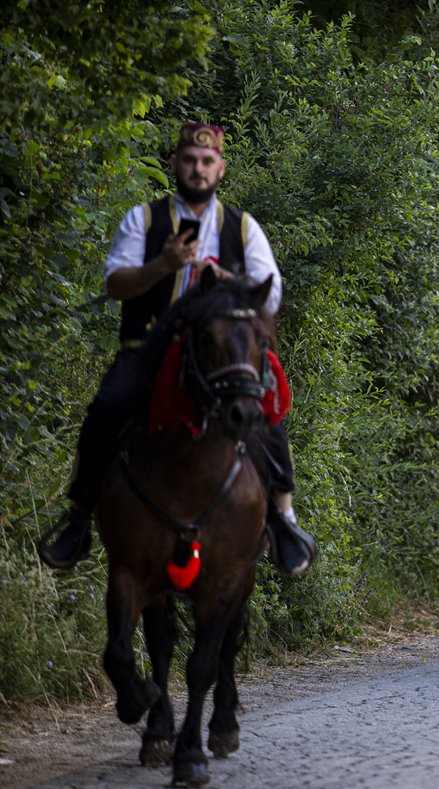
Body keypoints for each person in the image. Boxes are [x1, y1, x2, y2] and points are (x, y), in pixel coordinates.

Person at [37, 122, 316, 576]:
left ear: (220, 168)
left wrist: (225, 280)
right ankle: (78, 519)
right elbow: (116, 284)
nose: (198, 169)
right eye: (189, 160)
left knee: (264, 412)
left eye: (207, 162)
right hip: (148, 345)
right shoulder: (144, 220)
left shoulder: (242, 228)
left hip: (221, 353)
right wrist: (163, 265)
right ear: (175, 165)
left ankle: (283, 519)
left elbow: (272, 294)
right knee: (109, 405)